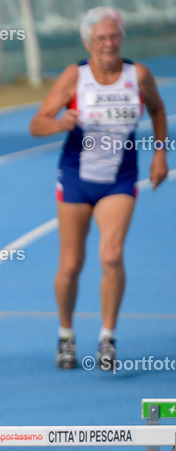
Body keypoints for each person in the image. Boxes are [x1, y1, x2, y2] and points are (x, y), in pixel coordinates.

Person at [30, 6, 168, 370]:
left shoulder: (137, 75)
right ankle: (65, 335)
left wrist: (160, 154)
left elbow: (156, 110)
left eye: (114, 36)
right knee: (71, 263)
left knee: (111, 255)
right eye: (101, 38)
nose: (109, 44)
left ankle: (107, 337)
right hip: (76, 177)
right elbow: (36, 123)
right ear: (88, 43)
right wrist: (60, 123)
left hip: (119, 179)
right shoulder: (75, 77)